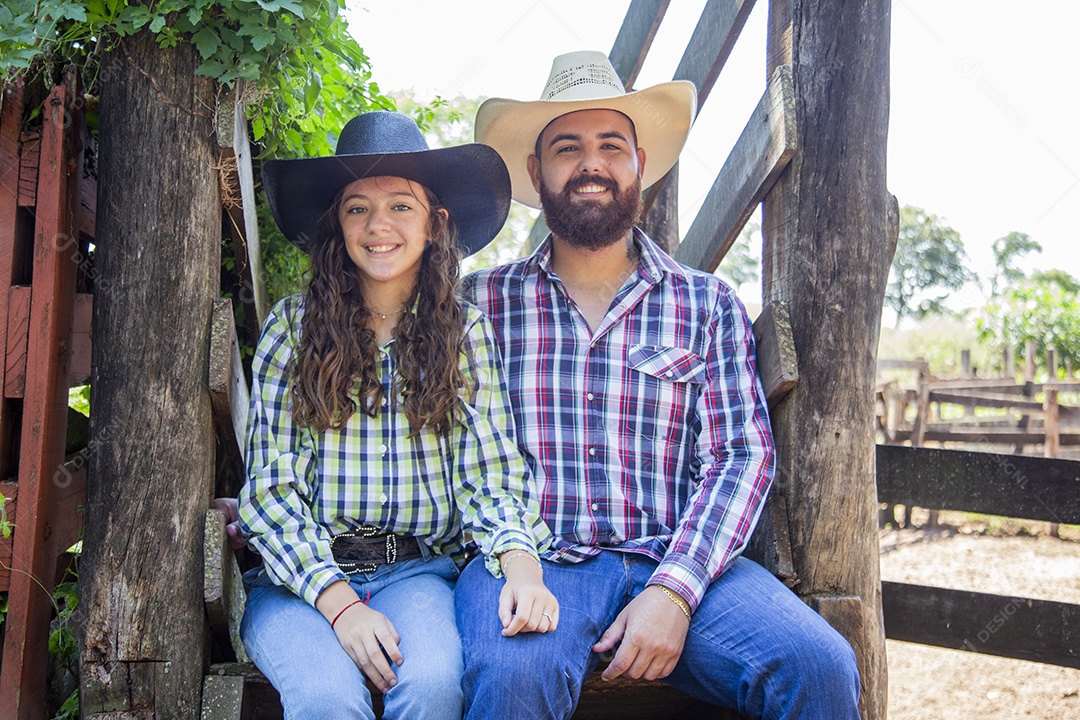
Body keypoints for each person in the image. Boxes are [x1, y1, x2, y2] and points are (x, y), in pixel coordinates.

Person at [454, 51, 861, 719]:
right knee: (511, 677)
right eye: (567, 148)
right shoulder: (479, 305)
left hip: (680, 556)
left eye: (611, 145)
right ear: (536, 171)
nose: (591, 164)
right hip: (530, 562)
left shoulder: (706, 305)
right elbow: (423, 437)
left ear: (640, 162)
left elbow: (740, 455)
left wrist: (674, 591)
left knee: (817, 665)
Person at [237, 110, 557, 720]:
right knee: (328, 698)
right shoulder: (293, 329)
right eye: (357, 207)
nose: (378, 225)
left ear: (436, 224)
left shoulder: (465, 335)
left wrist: (522, 564)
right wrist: (340, 603)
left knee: (433, 686)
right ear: (337, 223)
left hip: (416, 575)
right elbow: (270, 491)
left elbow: (489, 473)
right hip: (300, 582)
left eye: (401, 207)